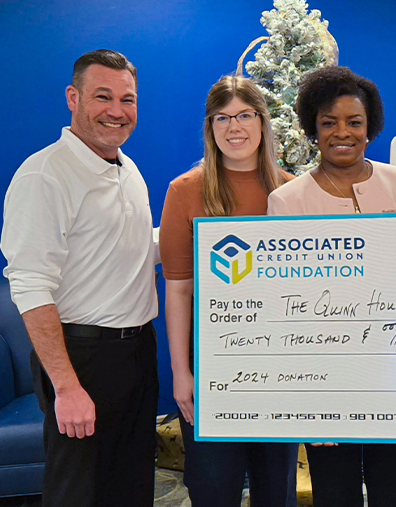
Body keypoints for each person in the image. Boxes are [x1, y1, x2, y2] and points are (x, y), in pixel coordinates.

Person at [0, 49, 159, 507]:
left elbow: (127, 251)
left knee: (129, 484)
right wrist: (67, 387)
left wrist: (193, 238)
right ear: (73, 97)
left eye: (127, 99)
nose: (116, 111)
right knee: (78, 491)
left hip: (137, 352)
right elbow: (30, 285)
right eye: (102, 96)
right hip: (81, 358)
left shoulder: (126, 167)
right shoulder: (44, 176)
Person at [267, 65, 396, 506]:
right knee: (336, 495)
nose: (343, 133)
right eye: (329, 122)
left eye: (354, 122)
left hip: (393, 375)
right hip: (327, 381)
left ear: (370, 126)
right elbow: (285, 306)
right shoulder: (287, 201)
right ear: (312, 128)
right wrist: (311, 405)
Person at [159, 75, 298, 507]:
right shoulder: (184, 192)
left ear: (262, 122)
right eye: (222, 118)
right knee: (213, 489)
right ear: (210, 126)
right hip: (212, 365)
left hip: (279, 362)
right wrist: (182, 374)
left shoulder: (292, 191)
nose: (234, 127)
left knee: (276, 490)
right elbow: (178, 291)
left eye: (244, 116)